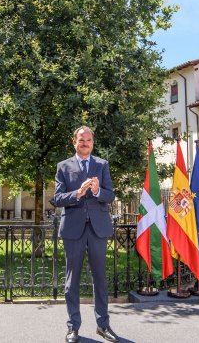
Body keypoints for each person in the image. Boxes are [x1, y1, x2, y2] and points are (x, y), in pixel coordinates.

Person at [53, 126, 119, 343]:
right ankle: (73, 327)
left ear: (93, 143)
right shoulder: (63, 166)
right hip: (73, 228)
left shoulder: (102, 165)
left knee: (100, 279)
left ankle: (103, 325)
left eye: (89, 140)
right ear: (74, 142)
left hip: (98, 228)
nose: (85, 143)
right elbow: (57, 198)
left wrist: (98, 191)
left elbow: (110, 196)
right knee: (72, 281)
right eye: (82, 140)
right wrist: (78, 193)